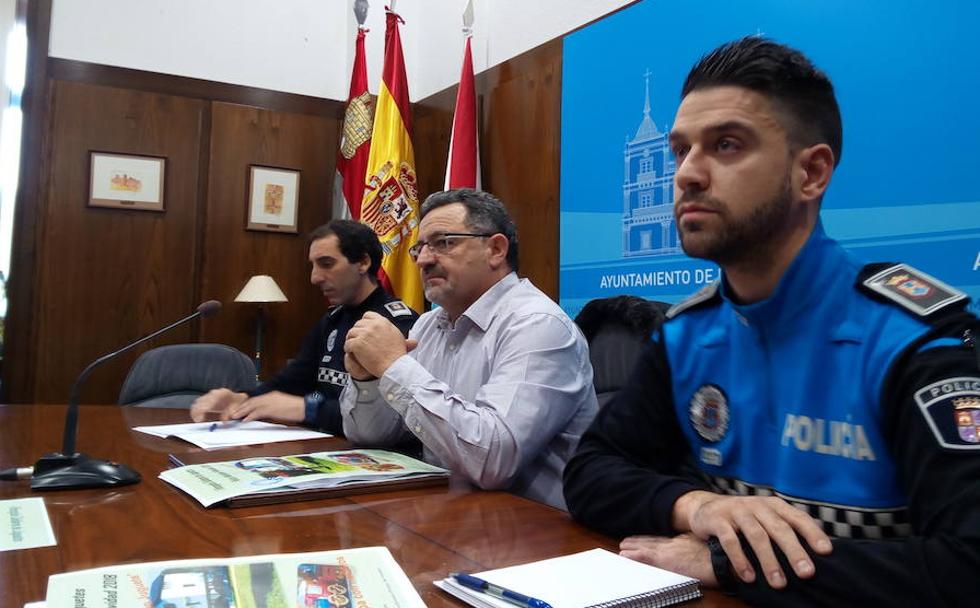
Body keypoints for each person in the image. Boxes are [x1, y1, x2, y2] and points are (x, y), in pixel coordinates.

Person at [563, 36, 980, 606]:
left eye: (726, 145)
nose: (686, 174)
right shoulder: (688, 334)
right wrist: (697, 507)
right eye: (680, 150)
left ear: (812, 173)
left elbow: (967, 567)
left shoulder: (917, 343)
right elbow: (590, 472)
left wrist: (727, 562)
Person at [340, 188, 598, 509]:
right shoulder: (427, 326)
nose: (424, 260)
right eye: (420, 248)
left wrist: (394, 366)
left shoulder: (537, 325)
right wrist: (368, 379)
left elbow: (493, 461)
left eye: (444, 242)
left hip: (535, 523)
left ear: (496, 250)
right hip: (451, 510)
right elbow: (372, 436)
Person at [190, 220, 418, 435]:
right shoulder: (332, 320)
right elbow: (294, 381)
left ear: (363, 263)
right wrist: (243, 398)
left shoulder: (398, 324)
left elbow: (393, 421)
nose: (314, 278)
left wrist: (307, 409)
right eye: (313, 265)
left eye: (326, 264)